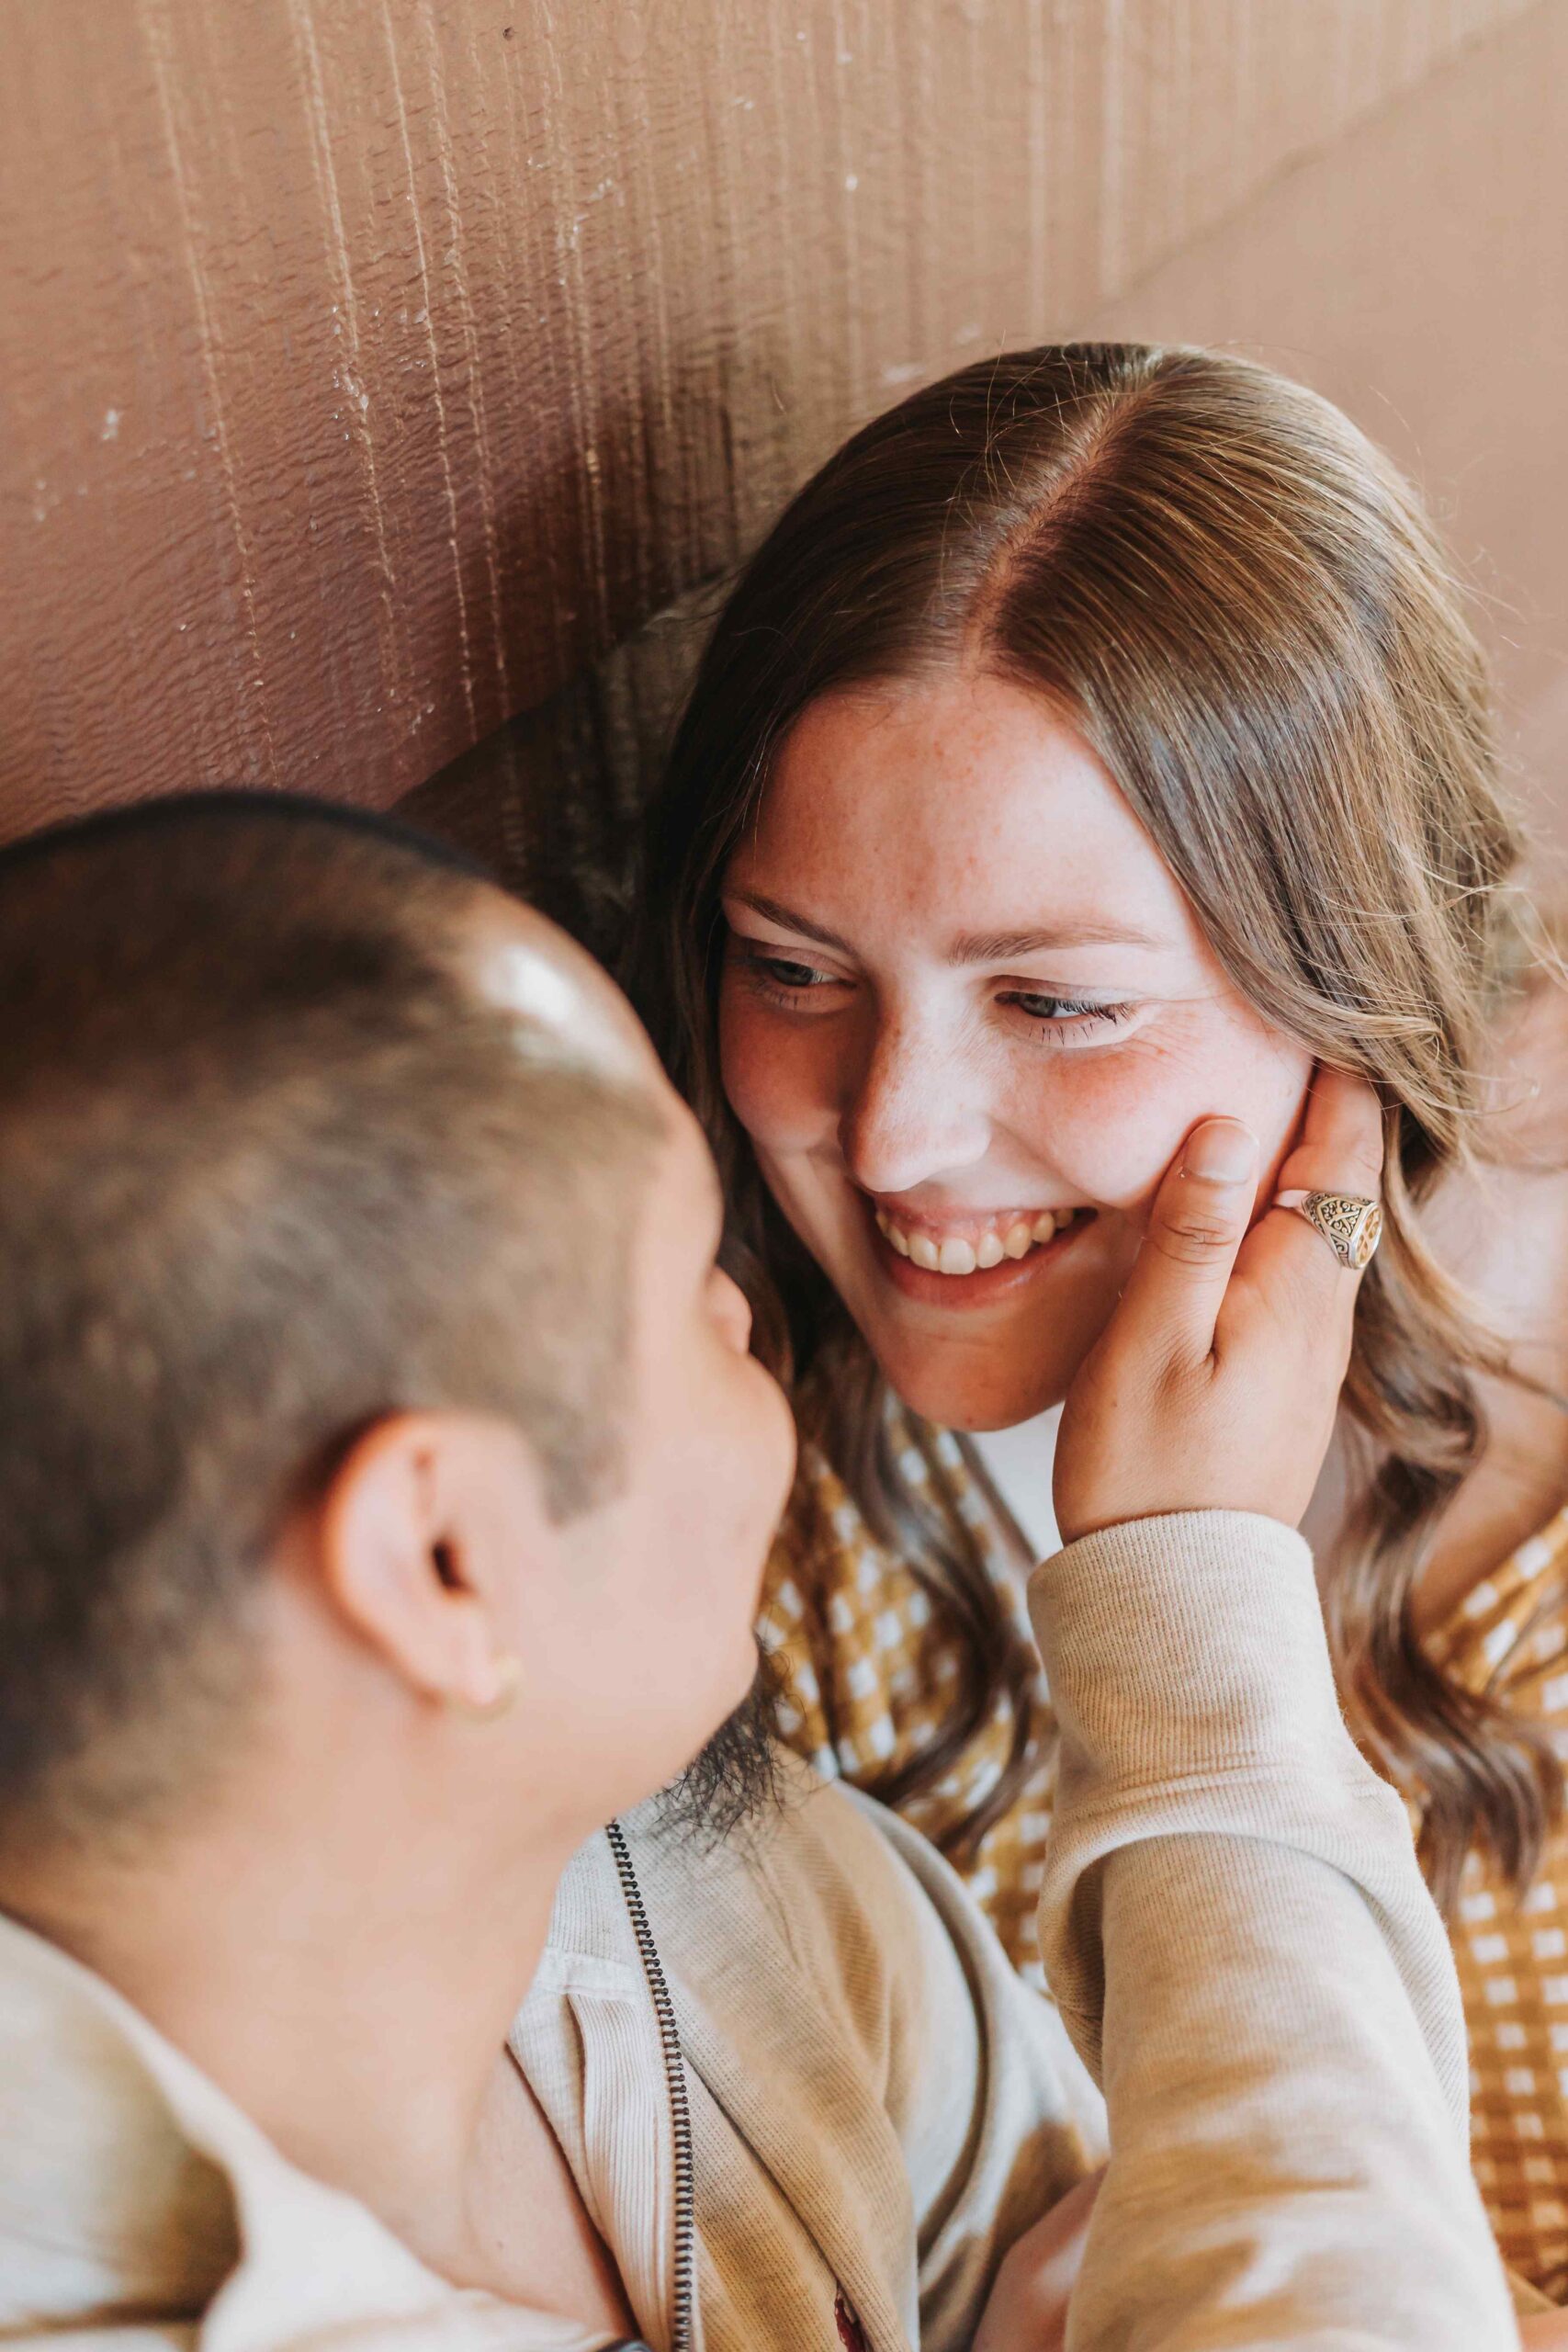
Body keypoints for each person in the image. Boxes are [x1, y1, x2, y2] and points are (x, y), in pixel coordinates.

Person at [0, 791, 1514, 2348]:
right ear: (441, 1563)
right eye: (677, 1291)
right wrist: (1195, 1606)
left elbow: (1083, 2244)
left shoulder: (722, 1869)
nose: (748, 1317)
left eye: (1056, 998)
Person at [632, 338, 1568, 2319]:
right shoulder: (752, 1539)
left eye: (1054, 1002)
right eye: (791, 965)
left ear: (1356, 980)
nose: (889, 1128)